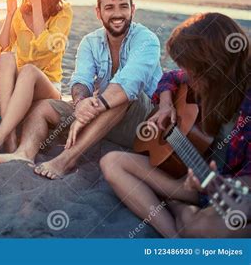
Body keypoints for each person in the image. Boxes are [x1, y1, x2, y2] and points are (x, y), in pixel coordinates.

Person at [0, 0, 162, 179]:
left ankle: (65, 160)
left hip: (139, 125)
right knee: (43, 107)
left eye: (123, 7)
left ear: (132, 9)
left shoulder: (147, 40)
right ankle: (23, 154)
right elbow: (81, 80)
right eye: (109, 7)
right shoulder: (90, 42)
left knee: (122, 94)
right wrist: (81, 102)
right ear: (98, 12)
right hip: (99, 118)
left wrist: (90, 108)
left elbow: (129, 84)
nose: (117, 14)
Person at [100, 12, 251, 237]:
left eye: (192, 71)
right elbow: (171, 77)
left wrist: (238, 186)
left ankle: (176, 207)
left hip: (224, 188)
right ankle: (175, 237)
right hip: (191, 181)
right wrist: (165, 104)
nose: (188, 77)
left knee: (211, 227)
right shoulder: (202, 78)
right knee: (112, 162)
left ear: (214, 67)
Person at [0, 0, 72, 157]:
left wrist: (37, 4)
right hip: (21, 85)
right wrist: (10, 13)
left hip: (47, 87)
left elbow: (45, 45)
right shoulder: (21, 12)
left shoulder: (63, 13)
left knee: (29, 70)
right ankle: (10, 137)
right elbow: (2, 46)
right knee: (5, 58)